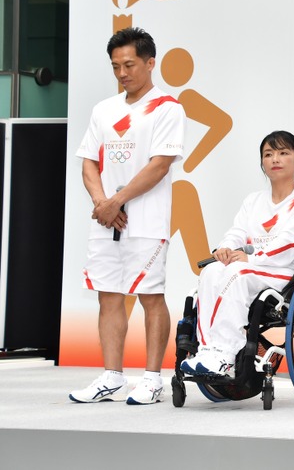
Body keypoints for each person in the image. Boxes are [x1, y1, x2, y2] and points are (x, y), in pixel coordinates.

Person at [70, 27, 186, 405]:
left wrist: (115, 201)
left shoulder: (168, 108)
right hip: (107, 221)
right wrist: (103, 202)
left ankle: (152, 379)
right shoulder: (103, 109)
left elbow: (159, 166)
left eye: (130, 64)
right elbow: (88, 162)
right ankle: (112, 376)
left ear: (150, 63)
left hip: (147, 221)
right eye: (116, 66)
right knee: (109, 296)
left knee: (151, 295)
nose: (122, 73)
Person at [180, 130, 294, 377]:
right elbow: (237, 232)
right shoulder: (253, 200)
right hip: (253, 268)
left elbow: (290, 242)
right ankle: (208, 351)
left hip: (286, 272)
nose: (275, 159)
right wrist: (226, 248)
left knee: (237, 272)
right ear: (262, 163)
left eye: (283, 153)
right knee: (212, 270)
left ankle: (226, 354)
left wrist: (251, 258)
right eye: (268, 154)